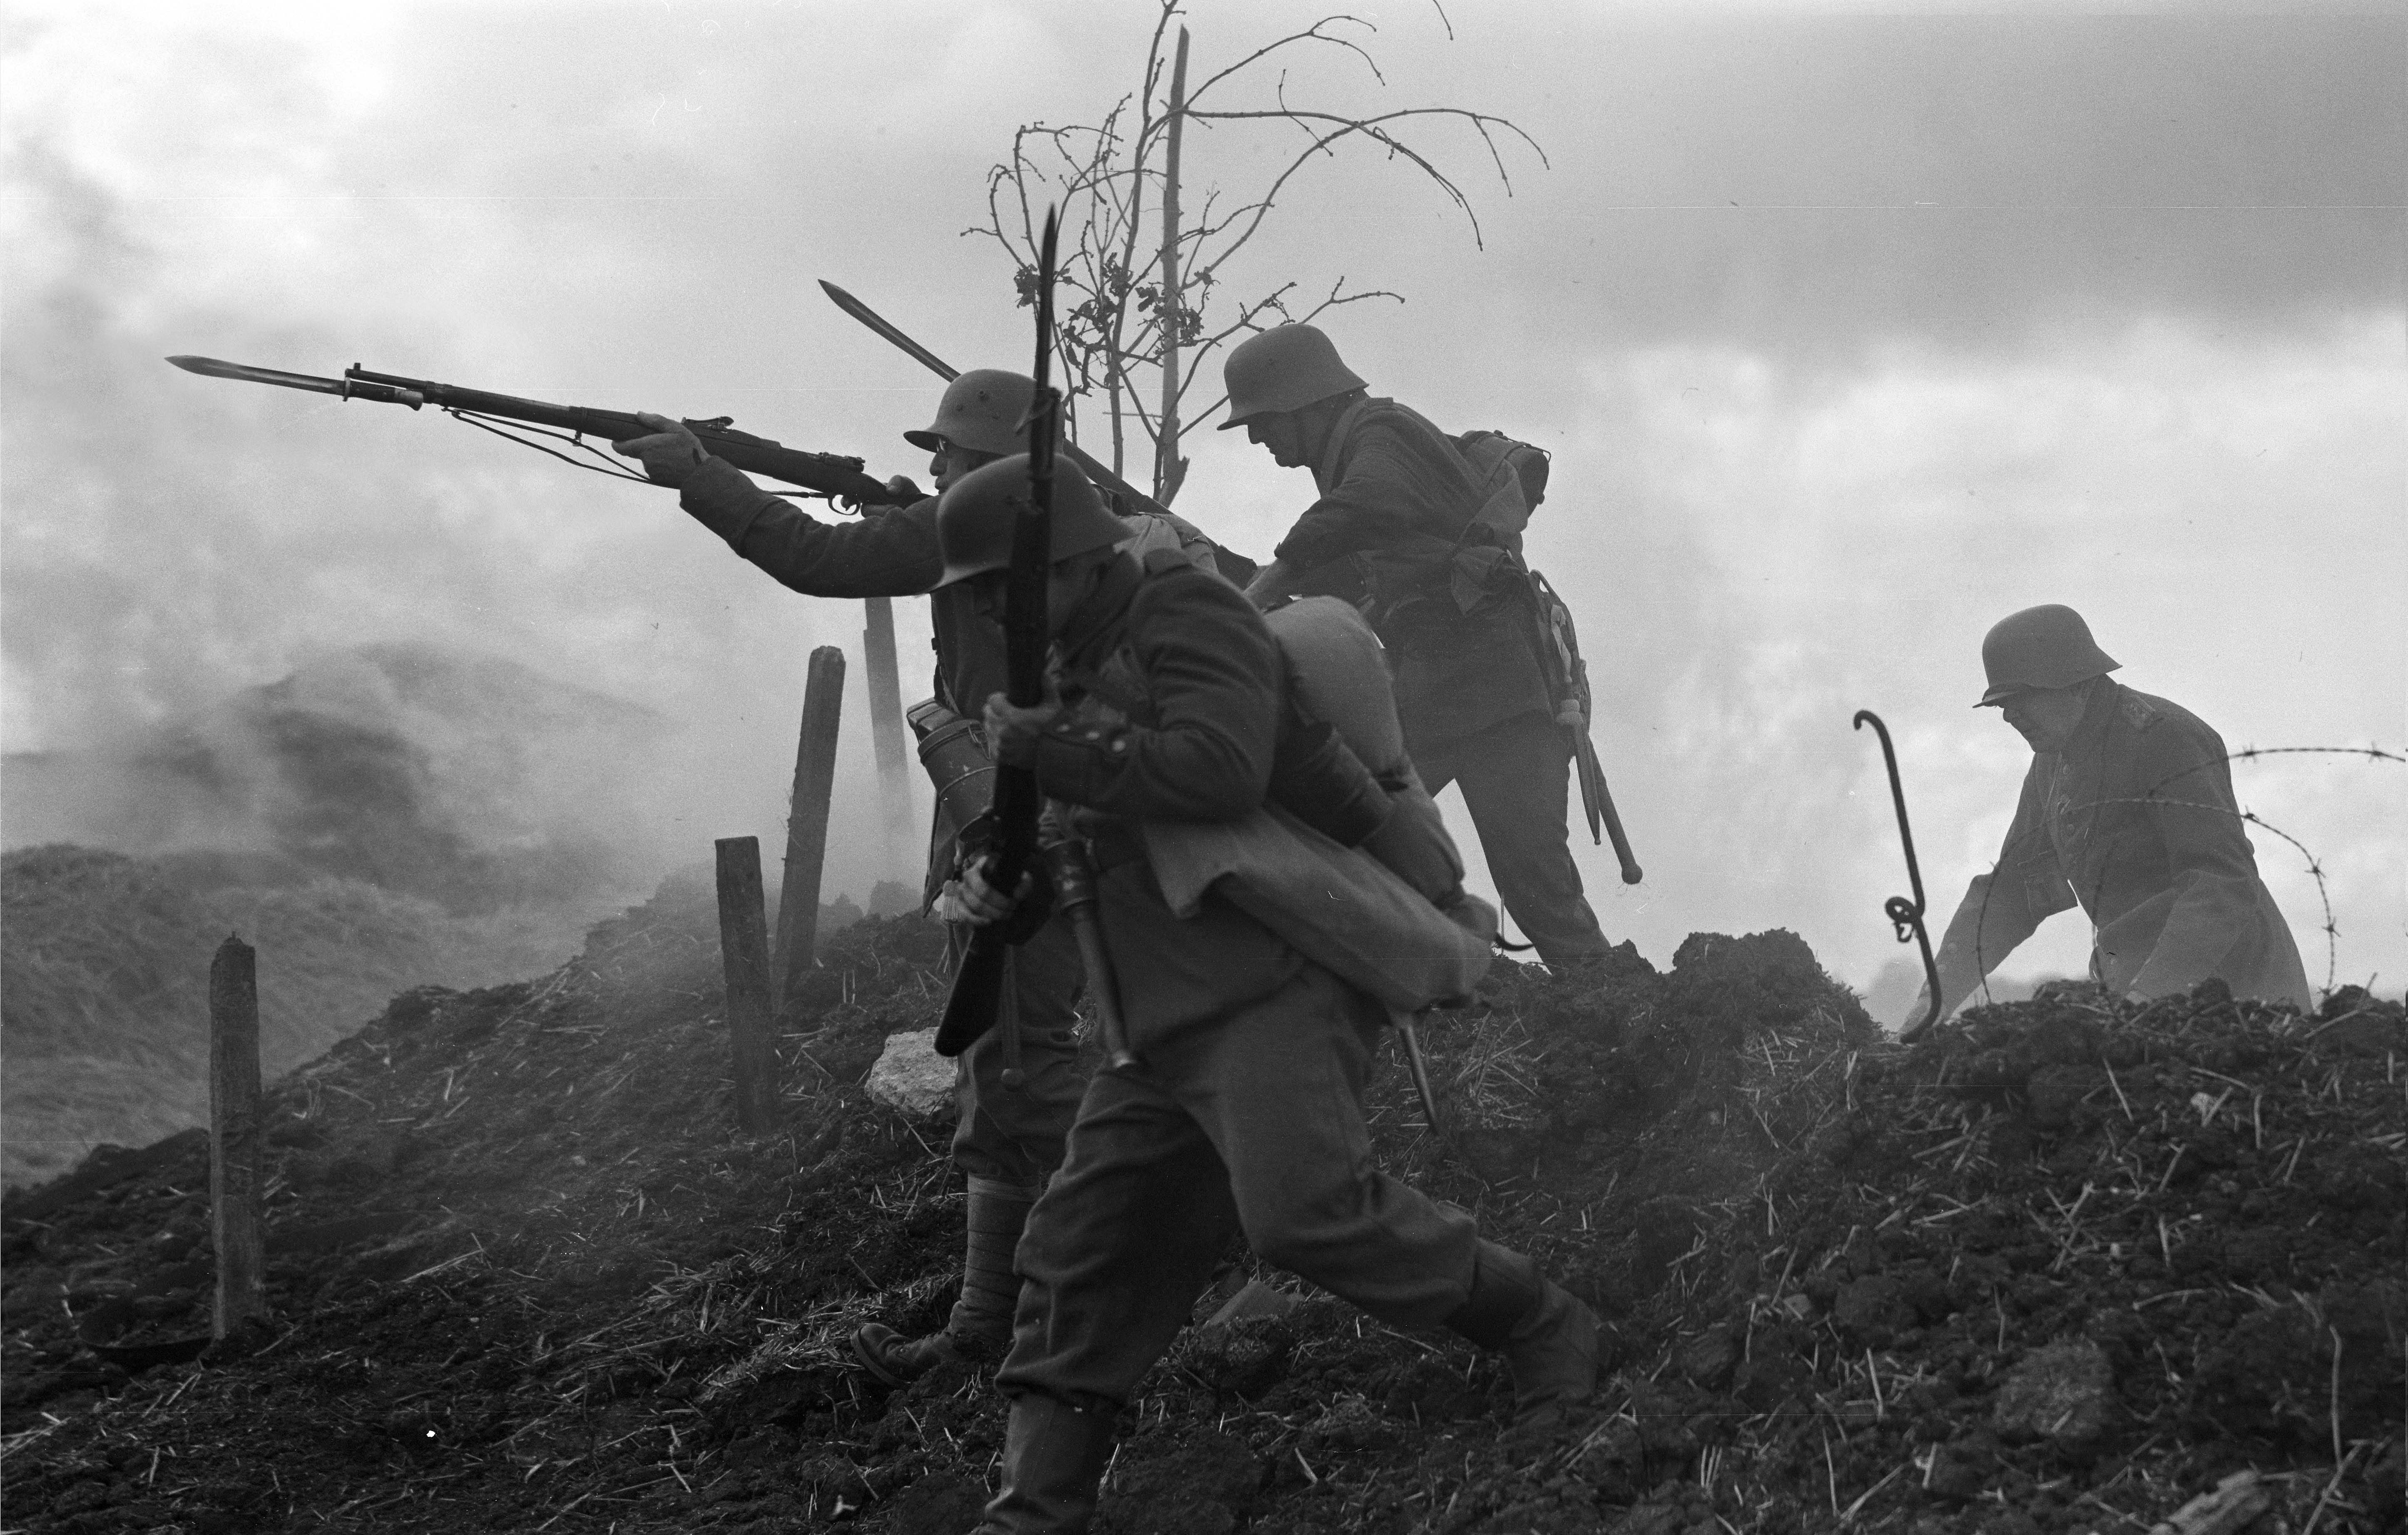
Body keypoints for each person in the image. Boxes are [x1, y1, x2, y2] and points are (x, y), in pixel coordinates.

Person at [931, 454, 1604, 1534]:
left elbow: (1216, 769)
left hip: (1268, 980)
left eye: (994, 588)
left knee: (1303, 1211)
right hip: (1158, 1018)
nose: (982, 611)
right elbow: (1094, 841)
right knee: (1080, 1244)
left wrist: (1053, 749)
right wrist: (1003, 889)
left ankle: (1536, 1316)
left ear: (1062, 564)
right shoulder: (1074, 666)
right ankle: (1032, 1510)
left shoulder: (1186, 616)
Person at [610, 372, 1220, 1385]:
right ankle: (996, 1307)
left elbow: (810, 556)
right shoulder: (1073, 522)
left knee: (1017, 1055)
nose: (934, 470)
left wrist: (699, 474)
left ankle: (1148, 1250)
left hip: (1030, 819)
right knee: (996, 1050)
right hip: (1022, 810)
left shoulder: (985, 525)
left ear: (985, 462)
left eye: (946, 455)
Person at [1220, 323, 1611, 967]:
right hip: (1441, 686)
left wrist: (1267, 584)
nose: (1258, 437)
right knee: (1354, 837)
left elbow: (1364, 506)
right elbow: (1352, 570)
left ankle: (1630, 1021)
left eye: (1263, 420)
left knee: (1535, 886)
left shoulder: (1381, 436)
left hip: (1495, 683)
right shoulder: (1365, 458)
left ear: (1307, 403)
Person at [1907, 603, 2312, 1025]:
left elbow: (2220, 884)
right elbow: (2013, 892)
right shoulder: (2051, 764)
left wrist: (2149, 999)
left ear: (2077, 686)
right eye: (2001, 706)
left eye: (2021, 699)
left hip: (2240, 1001)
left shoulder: (2164, 738)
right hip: (2139, 995)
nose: (2010, 716)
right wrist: (1931, 1001)